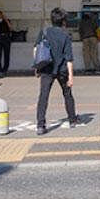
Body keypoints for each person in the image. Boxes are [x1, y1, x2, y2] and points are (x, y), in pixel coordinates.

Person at [34, 7, 79, 135]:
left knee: (43, 96)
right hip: (62, 70)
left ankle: (41, 125)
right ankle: (72, 119)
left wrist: (38, 68)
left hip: (46, 69)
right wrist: (70, 76)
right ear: (63, 22)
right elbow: (69, 58)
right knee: (67, 94)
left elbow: (36, 50)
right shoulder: (65, 36)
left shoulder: (43, 32)